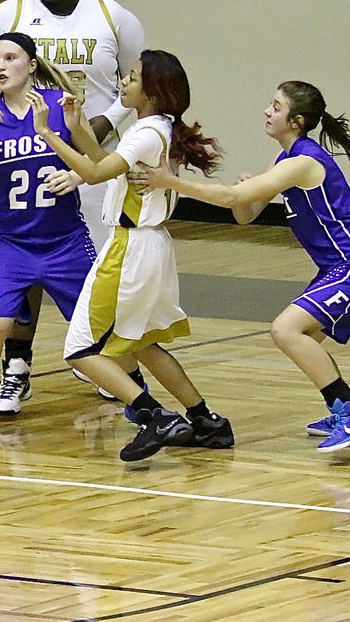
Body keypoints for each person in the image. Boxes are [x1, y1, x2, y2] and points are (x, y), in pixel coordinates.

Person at [143, 81, 350, 454]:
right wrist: (248, 191)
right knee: (301, 339)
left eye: (276, 107)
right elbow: (243, 213)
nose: (267, 111)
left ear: (296, 121)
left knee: (285, 330)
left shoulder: (303, 162)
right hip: (339, 268)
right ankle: (339, 407)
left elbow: (230, 198)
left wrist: (171, 181)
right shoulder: (287, 161)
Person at [0, 0, 147, 414]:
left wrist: (109, 126)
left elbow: (140, 83)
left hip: (90, 154)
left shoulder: (112, 18)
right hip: (28, 152)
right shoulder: (9, 16)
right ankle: (15, 371)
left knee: (94, 274)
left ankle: (112, 367)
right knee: (24, 267)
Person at [29, 50, 234, 463]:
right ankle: (206, 420)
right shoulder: (158, 128)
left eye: (133, 77)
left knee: (82, 350)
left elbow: (94, 174)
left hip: (130, 247)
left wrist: (49, 135)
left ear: (153, 90)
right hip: (151, 247)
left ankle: (153, 416)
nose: (124, 81)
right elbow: (107, 162)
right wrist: (76, 127)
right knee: (143, 343)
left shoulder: (146, 133)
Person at [0, 32, 96, 435]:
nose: (1, 67)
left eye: (10, 58)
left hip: (65, 240)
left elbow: (100, 161)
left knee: (98, 324)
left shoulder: (60, 108)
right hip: (10, 242)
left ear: (30, 64)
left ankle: (138, 396)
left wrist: (77, 175)